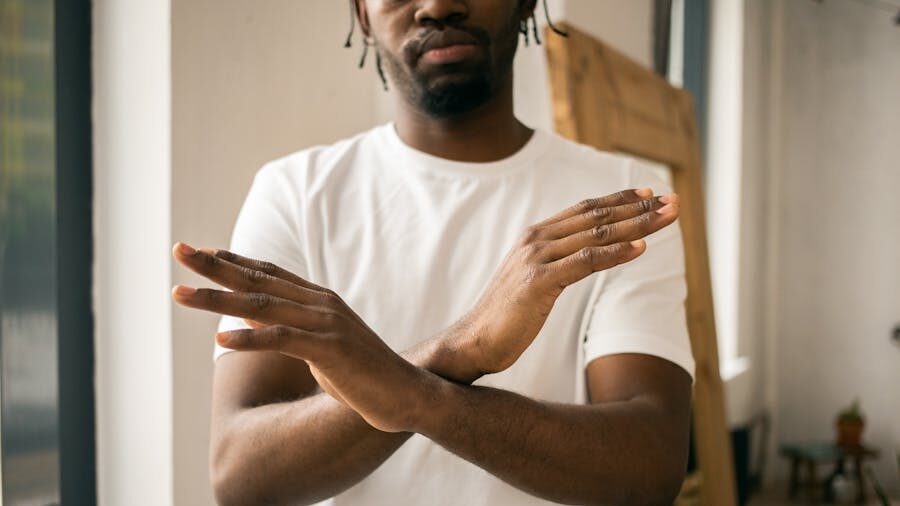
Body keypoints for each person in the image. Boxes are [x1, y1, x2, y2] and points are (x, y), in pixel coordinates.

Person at [171, 1, 695, 505]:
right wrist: (459, 349)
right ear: (362, 14)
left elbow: (650, 468)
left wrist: (415, 394)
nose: (438, 6)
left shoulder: (623, 201)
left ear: (526, 2)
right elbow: (242, 478)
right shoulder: (295, 192)